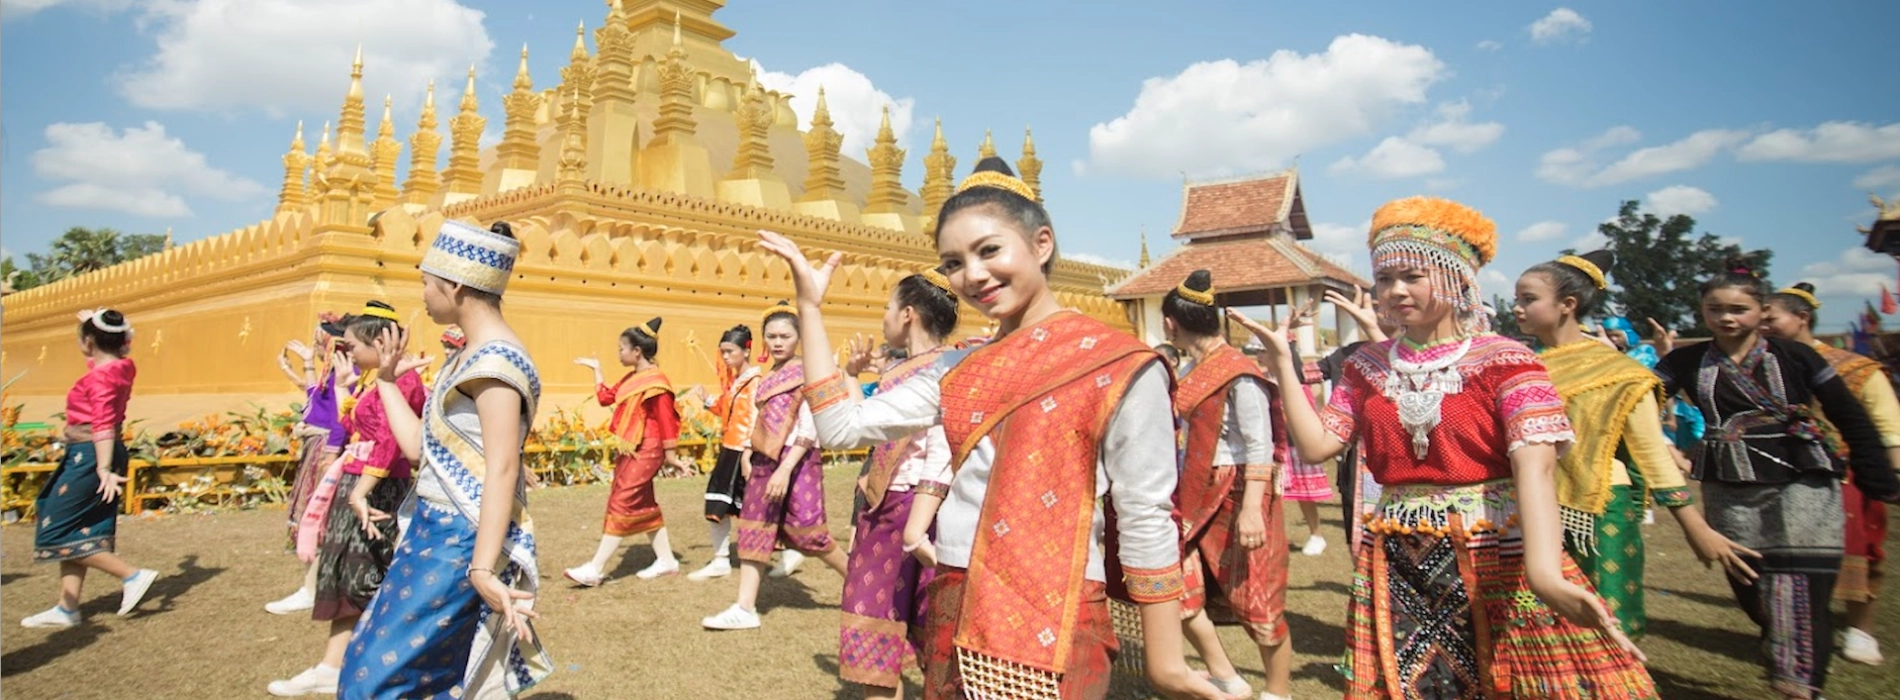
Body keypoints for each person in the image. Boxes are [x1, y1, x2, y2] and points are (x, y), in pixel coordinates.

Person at [760, 158, 1232, 699]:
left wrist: (1166, 660)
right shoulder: (958, 366)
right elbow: (841, 427)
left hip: (1061, 605)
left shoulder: (1118, 364)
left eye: (989, 250)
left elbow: (1146, 512)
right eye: (954, 263)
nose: (974, 276)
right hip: (958, 597)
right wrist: (810, 308)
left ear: (1042, 244)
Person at [1234, 196, 1655, 699]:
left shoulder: (1507, 360)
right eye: (1385, 279)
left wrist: (1544, 571)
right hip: (1394, 550)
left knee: (1505, 679)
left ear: (1457, 277)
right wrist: (1283, 362)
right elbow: (1318, 443)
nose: (1394, 291)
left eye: (1412, 276)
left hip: (1494, 547)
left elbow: (1535, 470)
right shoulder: (1367, 365)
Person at [1656, 261, 1900, 699]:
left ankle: (1801, 687)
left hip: (1802, 480)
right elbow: (1635, 399)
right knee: (1752, 583)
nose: (1727, 318)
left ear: (1761, 310)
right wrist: (1661, 443)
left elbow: (1850, 415)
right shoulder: (1684, 360)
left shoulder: (1797, 356)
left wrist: (1876, 475)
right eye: (1715, 309)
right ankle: (1782, 647)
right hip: (1728, 487)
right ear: (1702, 311)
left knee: (1802, 585)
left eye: (1738, 308)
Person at [339, 220, 553, 699]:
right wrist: (389, 381)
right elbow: (419, 449)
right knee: (401, 672)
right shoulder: (467, 357)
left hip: (461, 537)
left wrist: (481, 569)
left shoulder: (496, 364)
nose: (422, 295)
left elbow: (502, 467)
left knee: (374, 680)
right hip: (432, 530)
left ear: (454, 284)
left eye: (425, 282)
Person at [1510, 251, 1754, 640]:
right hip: (1529, 505)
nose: (1517, 309)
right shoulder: (1519, 365)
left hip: (1599, 507)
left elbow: (1652, 453)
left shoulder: (1618, 371)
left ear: (1567, 305)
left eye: (1528, 299)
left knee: (1607, 619)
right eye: (1517, 299)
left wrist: (1694, 526)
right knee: (1539, 626)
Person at [268, 302, 428, 697]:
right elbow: (354, 427)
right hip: (358, 483)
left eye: (352, 345)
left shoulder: (403, 381)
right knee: (346, 575)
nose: (348, 353)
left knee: (368, 578)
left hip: (379, 490)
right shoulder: (375, 379)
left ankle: (363, 665)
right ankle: (332, 665)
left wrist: (362, 490)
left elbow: (393, 442)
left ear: (378, 341)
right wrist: (342, 389)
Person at [1163, 270, 1293, 700]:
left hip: (1236, 493)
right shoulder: (1194, 369)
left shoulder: (1238, 372)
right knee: (1173, 584)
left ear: (1171, 323)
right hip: (1195, 489)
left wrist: (1253, 507)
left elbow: (1260, 442)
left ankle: (1277, 692)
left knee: (1258, 598)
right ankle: (1226, 676)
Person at [836, 270, 959, 699]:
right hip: (890, 506)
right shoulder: (903, 369)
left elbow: (942, 446)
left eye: (888, 308)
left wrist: (915, 526)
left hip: (917, 507)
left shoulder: (947, 368)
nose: (884, 317)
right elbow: (866, 428)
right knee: (878, 631)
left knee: (909, 628)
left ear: (907, 314)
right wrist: (852, 376)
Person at [1764, 281, 1900, 666]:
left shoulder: (1854, 369)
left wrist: (1893, 471)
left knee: (1861, 550)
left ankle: (1861, 629)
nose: (1764, 327)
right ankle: (1792, 629)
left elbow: (1888, 427)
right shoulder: (1758, 367)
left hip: (1845, 475)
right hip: (1780, 474)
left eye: (1771, 318)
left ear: (1802, 317)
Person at [701, 302, 850, 631]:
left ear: (799, 337)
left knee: (810, 535)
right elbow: (758, 419)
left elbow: (809, 426)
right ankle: (745, 607)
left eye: (785, 335)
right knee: (754, 526)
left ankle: (858, 586)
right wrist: (746, 454)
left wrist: (785, 468)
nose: (778, 342)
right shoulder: (768, 377)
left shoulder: (808, 372)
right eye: (772, 336)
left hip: (797, 461)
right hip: (764, 459)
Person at [22, 308, 160, 628]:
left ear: (87, 341)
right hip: (99, 451)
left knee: (55, 526)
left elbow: (101, 422)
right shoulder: (123, 367)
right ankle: (67, 607)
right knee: (82, 527)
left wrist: (103, 468)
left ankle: (132, 575)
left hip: (92, 453)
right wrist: (96, 324)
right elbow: (102, 360)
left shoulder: (99, 377)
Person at [565, 318, 692, 585]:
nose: (618, 353)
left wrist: (670, 457)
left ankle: (596, 567)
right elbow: (605, 398)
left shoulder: (657, 382)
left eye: (621, 348)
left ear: (637, 351)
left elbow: (667, 420)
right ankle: (667, 560)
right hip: (632, 447)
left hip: (649, 448)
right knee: (642, 502)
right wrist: (596, 370)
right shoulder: (632, 378)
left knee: (622, 500)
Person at [268, 315, 354, 616]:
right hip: (319, 445)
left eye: (319, 341)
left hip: (327, 449)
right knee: (316, 518)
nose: (315, 346)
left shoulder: (348, 371)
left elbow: (340, 417)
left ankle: (312, 588)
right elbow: (316, 402)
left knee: (321, 519)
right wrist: (302, 365)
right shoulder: (332, 371)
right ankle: (311, 584)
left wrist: (330, 454)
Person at [688, 324, 764, 582]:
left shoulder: (755, 382)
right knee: (717, 503)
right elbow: (727, 411)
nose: (725, 357)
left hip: (744, 450)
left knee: (750, 509)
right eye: (722, 352)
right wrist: (708, 400)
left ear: (746, 350)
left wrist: (748, 453)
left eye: (730, 351)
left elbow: (756, 419)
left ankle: (781, 551)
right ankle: (720, 559)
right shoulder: (736, 383)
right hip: (729, 448)